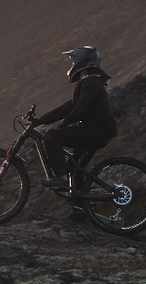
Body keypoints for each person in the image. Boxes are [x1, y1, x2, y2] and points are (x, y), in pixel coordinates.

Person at [37, 44, 115, 199]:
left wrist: (65, 123)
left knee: (52, 137)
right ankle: (80, 209)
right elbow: (70, 106)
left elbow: (82, 107)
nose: (72, 65)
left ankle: (60, 178)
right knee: (75, 170)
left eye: (74, 61)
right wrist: (42, 120)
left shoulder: (91, 82)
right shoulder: (90, 81)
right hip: (96, 131)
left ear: (83, 62)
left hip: (94, 132)